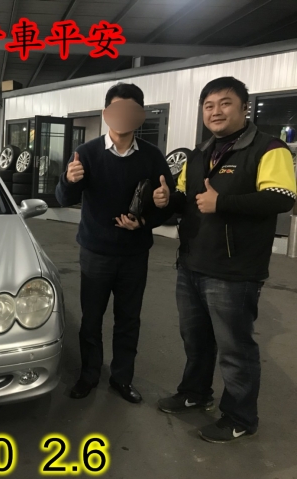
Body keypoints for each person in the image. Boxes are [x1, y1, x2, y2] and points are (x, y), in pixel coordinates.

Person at [153, 76, 297, 443]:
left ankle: (240, 417)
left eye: (225, 103)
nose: (216, 111)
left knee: (235, 348)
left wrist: (223, 203)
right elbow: (186, 199)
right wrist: (167, 200)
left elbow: (281, 198)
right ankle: (195, 393)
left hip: (235, 270)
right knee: (195, 340)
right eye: (209, 105)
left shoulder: (269, 148)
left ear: (244, 107)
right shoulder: (199, 154)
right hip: (192, 263)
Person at [56, 83, 175, 404]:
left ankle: (122, 378)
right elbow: (62, 198)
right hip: (95, 253)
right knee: (91, 319)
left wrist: (150, 215)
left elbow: (168, 204)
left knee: (128, 320)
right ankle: (89, 375)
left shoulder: (152, 156)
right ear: (106, 113)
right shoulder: (87, 153)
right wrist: (68, 180)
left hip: (134, 254)